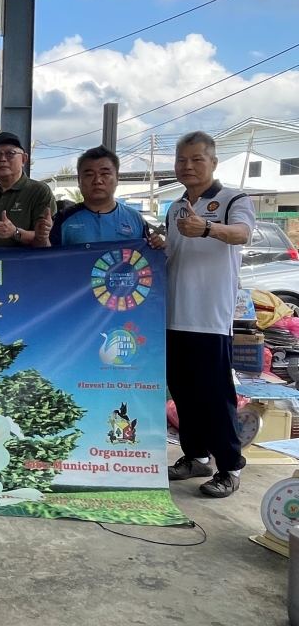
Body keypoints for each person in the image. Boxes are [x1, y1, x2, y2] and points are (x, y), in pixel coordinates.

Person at [153, 131, 255, 498]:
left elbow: (242, 233)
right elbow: (174, 255)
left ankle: (229, 466)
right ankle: (195, 457)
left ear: (213, 163)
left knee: (215, 394)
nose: (188, 166)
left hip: (210, 317)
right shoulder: (175, 207)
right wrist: (160, 245)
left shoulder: (233, 199)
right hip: (174, 314)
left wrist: (208, 228)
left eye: (197, 159)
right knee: (182, 393)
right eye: (182, 160)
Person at [44, 146, 148, 246]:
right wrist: (41, 239)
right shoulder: (63, 219)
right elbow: (48, 258)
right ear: (79, 180)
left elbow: (146, 258)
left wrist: (157, 246)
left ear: (117, 178)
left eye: (105, 174)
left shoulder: (136, 219)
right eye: (89, 175)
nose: (97, 181)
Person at [0, 132, 55, 248]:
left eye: (10, 153)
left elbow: (46, 239)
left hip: (25, 265)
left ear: (24, 159)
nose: (2, 159)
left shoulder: (39, 191)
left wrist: (15, 233)